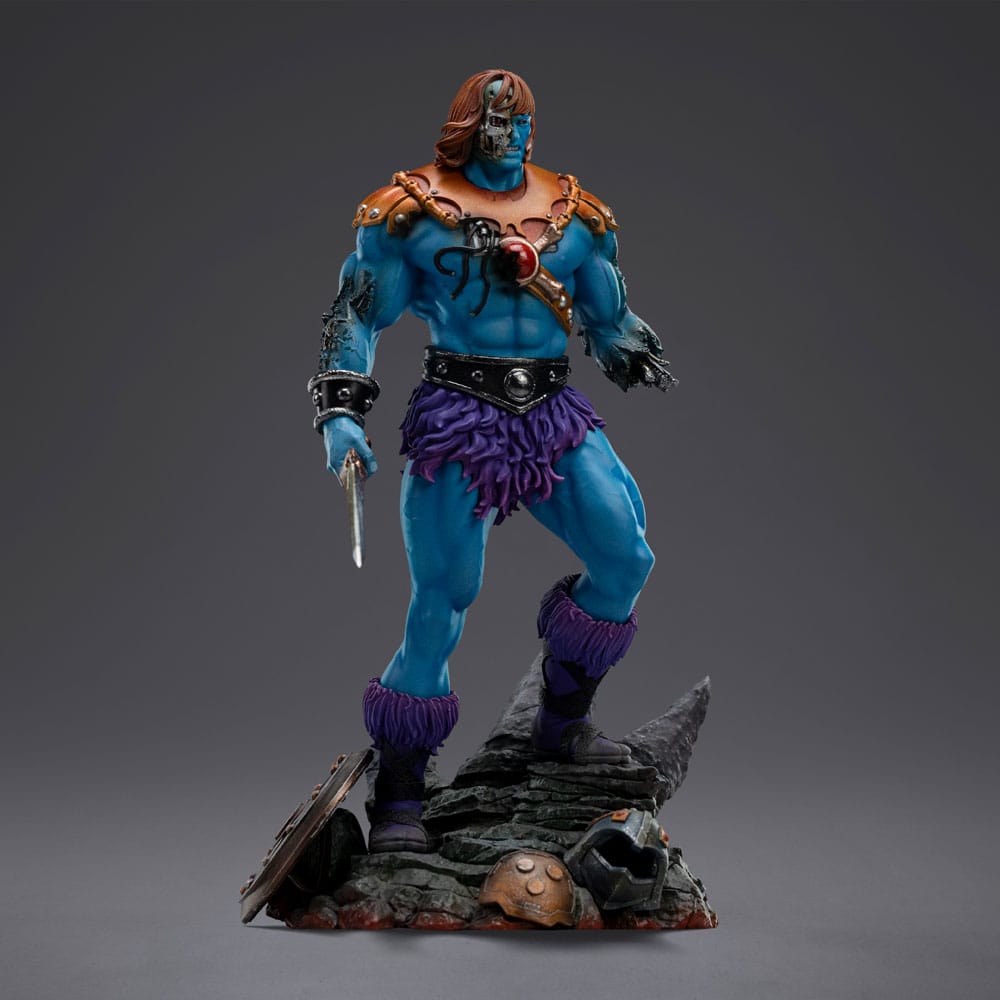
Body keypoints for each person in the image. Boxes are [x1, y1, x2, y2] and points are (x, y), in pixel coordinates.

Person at [309, 69, 674, 854]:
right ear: (466, 127)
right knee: (442, 602)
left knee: (626, 556)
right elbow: (357, 313)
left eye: (521, 123)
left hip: (551, 411)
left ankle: (560, 725)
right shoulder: (410, 212)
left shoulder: (576, 212)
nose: (510, 136)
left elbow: (607, 311)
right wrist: (340, 413)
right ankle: (400, 792)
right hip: (458, 416)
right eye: (495, 123)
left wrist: (628, 344)